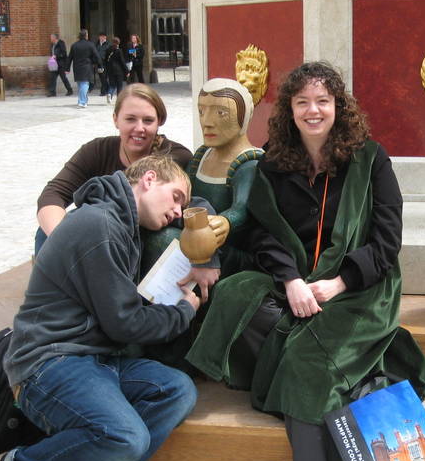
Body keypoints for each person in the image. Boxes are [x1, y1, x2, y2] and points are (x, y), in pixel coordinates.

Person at [185, 62, 425, 461]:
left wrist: (338, 284)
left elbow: (388, 243)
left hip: (361, 288)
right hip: (299, 281)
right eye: (302, 102)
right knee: (238, 294)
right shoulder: (277, 163)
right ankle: (324, 384)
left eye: (322, 101)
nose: (313, 110)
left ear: (338, 107)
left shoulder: (370, 160)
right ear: (290, 110)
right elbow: (262, 232)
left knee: (305, 357)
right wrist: (291, 279)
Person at [0, 155, 199, 461]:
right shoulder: (99, 224)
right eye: (176, 198)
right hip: (48, 361)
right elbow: (124, 322)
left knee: (177, 390)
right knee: (126, 437)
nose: (179, 212)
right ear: (149, 180)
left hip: (94, 358)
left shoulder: (120, 224)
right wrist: (184, 310)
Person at [35, 83, 193, 253]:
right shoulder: (97, 150)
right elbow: (53, 194)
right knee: (44, 233)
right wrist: (66, 241)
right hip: (97, 234)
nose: (139, 128)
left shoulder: (174, 156)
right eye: (130, 119)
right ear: (116, 119)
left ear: (159, 121)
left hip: (140, 238)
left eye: (148, 120)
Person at [143, 78, 262, 286]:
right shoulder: (202, 155)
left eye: (220, 113)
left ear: (244, 117)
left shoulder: (248, 163)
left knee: (165, 239)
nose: (206, 121)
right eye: (201, 111)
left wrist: (225, 221)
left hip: (228, 250)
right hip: (197, 239)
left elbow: (243, 209)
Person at [66, 29, 101, 108]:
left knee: (80, 85)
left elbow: (69, 58)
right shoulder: (90, 45)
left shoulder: (74, 45)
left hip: (77, 68)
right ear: (86, 35)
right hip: (87, 67)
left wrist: (67, 68)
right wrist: (100, 65)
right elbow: (97, 56)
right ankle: (82, 102)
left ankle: (83, 101)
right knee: (84, 84)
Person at [104, 36, 128, 103]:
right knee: (119, 85)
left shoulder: (108, 50)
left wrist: (107, 68)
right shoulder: (119, 51)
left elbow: (105, 60)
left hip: (110, 70)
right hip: (118, 70)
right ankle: (119, 100)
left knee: (112, 84)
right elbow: (122, 62)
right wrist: (127, 70)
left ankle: (109, 93)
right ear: (118, 43)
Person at [94, 31, 111, 97]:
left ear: (105, 37)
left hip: (105, 63)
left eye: (103, 36)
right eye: (100, 36)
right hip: (99, 64)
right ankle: (107, 88)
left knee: (104, 77)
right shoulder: (97, 45)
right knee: (101, 77)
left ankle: (103, 91)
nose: (101, 38)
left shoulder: (108, 44)